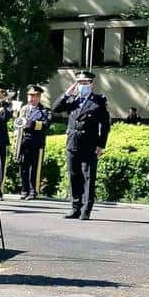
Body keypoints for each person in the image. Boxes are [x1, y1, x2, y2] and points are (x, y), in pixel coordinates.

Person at [52, 71, 110, 220]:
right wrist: (67, 93)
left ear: (91, 84)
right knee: (73, 176)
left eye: (85, 83)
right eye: (79, 82)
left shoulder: (98, 101)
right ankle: (75, 207)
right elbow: (55, 108)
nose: (82, 85)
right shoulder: (73, 100)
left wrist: (101, 145)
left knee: (88, 177)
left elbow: (104, 126)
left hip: (89, 144)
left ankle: (86, 209)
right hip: (72, 143)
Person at [15, 85, 52, 200]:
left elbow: (46, 125)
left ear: (39, 97)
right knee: (23, 167)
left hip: (36, 143)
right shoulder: (23, 109)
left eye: (34, 96)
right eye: (29, 95)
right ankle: (24, 189)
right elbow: (16, 124)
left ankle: (33, 191)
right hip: (24, 142)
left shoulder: (45, 111)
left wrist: (30, 123)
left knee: (34, 168)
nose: (31, 98)